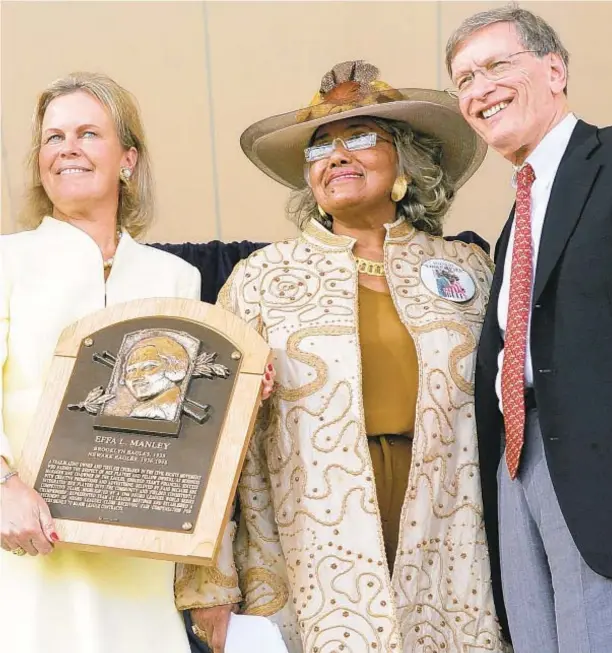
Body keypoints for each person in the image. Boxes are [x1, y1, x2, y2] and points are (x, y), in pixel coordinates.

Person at [175, 60, 509, 653]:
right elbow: (210, 440)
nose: (336, 156)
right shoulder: (260, 280)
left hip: (449, 528)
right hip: (307, 540)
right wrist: (209, 586)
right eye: (320, 147)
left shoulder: (469, 270)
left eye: (359, 137)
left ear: (406, 158)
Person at [446, 6, 612, 652]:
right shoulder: (510, 226)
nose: (477, 89)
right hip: (519, 479)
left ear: (553, 69)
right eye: (462, 80)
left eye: (494, 66)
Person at [1, 71, 200, 653]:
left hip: (137, 558)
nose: (67, 148)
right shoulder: (7, 262)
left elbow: (189, 425)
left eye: (88, 133)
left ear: (128, 159)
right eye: (53, 136)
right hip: (24, 545)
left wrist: (240, 389)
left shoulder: (176, 278)